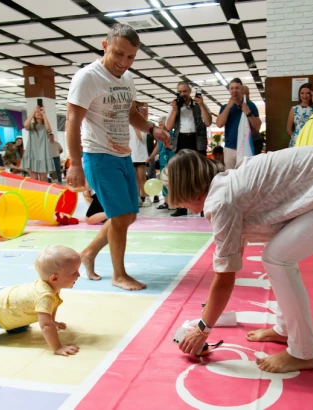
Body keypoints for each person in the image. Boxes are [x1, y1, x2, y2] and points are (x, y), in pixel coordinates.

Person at [164, 146, 313, 373]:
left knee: (277, 258)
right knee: (277, 256)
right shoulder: (228, 185)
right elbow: (231, 259)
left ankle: (303, 352)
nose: (190, 210)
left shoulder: (221, 200)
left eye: (183, 202)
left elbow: (225, 277)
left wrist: (203, 328)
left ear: (190, 191)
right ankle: (285, 329)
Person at [65, 23, 170, 291]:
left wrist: (152, 128)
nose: (124, 62)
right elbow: (72, 121)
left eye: (131, 56)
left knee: (128, 216)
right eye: (118, 54)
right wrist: (75, 163)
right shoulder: (88, 77)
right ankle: (118, 274)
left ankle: (88, 253)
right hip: (98, 154)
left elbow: (129, 113)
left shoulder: (126, 78)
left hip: (123, 153)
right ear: (105, 46)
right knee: (122, 216)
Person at [0, 245, 81, 357]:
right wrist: (57, 347)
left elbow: (52, 307)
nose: (79, 275)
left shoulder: (53, 288)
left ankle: (10, 324)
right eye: (74, 272)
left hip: (9, 309)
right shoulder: (44, 295)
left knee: (20, 330)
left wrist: (53, 321)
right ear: (54, 278)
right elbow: (46, 325)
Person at [166, 81, 213, 216]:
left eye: (185, 91)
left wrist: (202, 104)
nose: (182, 94)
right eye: (180, 92)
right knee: (180, 174)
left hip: (197, 140)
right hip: (181, 140)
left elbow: (208, 122)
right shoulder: (175, 106)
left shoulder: (199, 104)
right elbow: (168, 127)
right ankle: (181, 207)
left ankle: (204, 206)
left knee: (201, 173)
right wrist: (175, 109)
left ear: (190, 91)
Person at [216, 78, 261, 169]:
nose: (234, 90)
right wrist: (228, 107)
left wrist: (248, 112)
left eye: (237, 88)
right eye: (232, 88)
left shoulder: (250, 105)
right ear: (229, 90)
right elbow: (219, 124)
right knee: (231, 175)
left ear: (241, 89)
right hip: (229, 148)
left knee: (246, 174)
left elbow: (257, 127)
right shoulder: (225, 107)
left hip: (246, 146)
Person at [23, 106, 55, 181]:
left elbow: (49, 129)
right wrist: (33, 111)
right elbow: (25, 125)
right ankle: (36, 192)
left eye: (40, 112)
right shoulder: (31, 126)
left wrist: (44, 114)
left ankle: (44, 192)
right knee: (34, 178)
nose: (38, 113)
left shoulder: (44, 126)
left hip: (42, 153)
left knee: (43, 177)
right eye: (37, 112)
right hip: (32, 152)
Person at [130, 103, 152, 207]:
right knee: (134, 179)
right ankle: (137, 198)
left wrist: (136, 126)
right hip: (131, 155)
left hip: (141, 155)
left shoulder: (142, 125)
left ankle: (146, 197)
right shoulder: (128, 125)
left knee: (142, 178)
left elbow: (140, 138)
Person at [287, 83, 313, 148]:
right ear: (299, 94)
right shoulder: (294, 109)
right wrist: (295, 138)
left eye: (307, 93)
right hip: (297, 141)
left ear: (311, 95)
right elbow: (288, 129)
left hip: (311, 141)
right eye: (302, 93)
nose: (305, 96)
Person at [242, 85, 264, 154]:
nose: (246, 96)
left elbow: (257, 125)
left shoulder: (251, 105)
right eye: (243, 93)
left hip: (254, 140)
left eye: (247, 94)